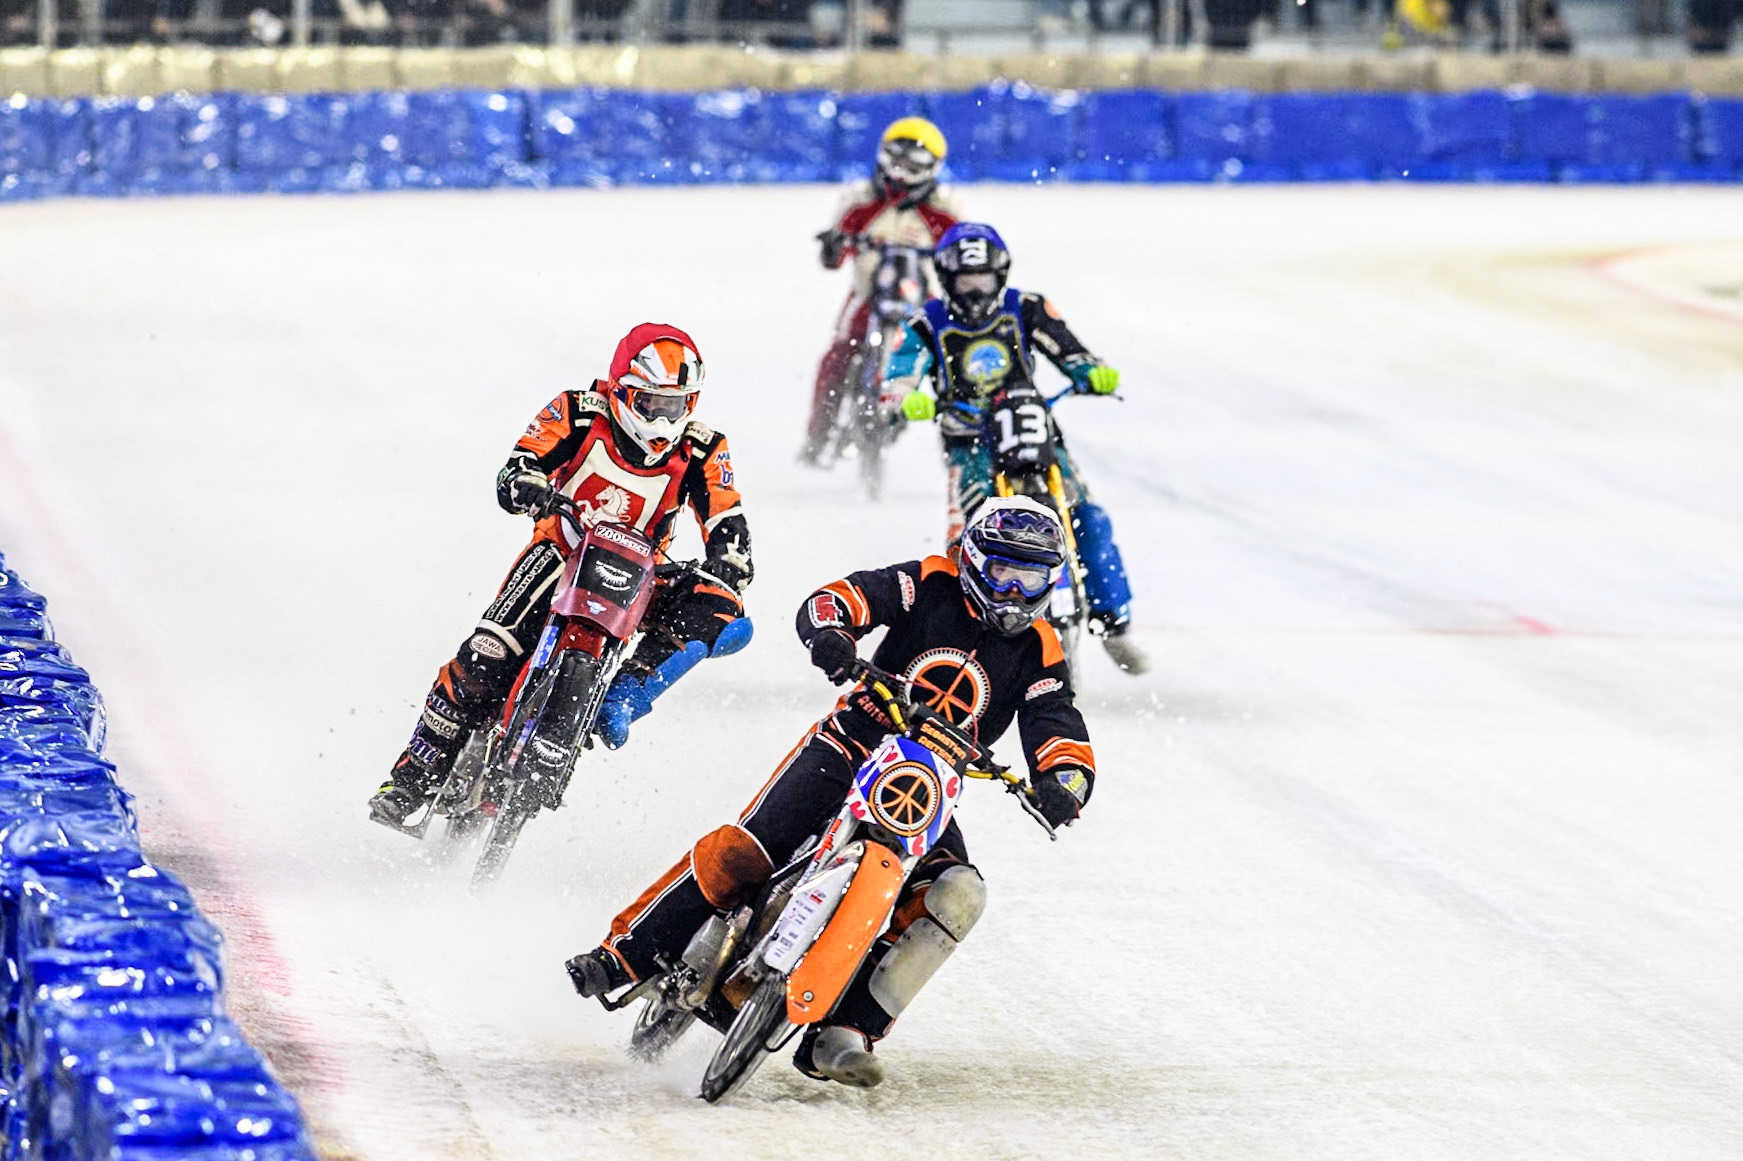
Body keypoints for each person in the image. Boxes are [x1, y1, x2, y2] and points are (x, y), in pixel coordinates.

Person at [565, 496, 1094, 1087]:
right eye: (1004, 574)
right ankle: (627, 954)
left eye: (1032, 580)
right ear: (973, 559)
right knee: (752, 848)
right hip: (851, 745)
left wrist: (1064, 783)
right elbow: (836, 600)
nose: (1016, 594)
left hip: (929, 786)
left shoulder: (1042, 649)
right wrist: (832, 635)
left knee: (958, 895)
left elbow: (1059, 722)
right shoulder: (929, 583)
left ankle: (847, 1032)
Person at [370, 323, 754, 829]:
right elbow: (521, 462)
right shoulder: (577, 411)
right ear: (621, 390)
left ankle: (628, 691)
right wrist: (527, 484)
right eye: (651, 405)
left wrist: (731, 555)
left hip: (641, 573)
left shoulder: (705, 448)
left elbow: (727, 514)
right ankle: (411, 776)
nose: (663, 421)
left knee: (723, 606)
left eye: (676, 406)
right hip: (561, 552)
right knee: (487, 655)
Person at [883, 221, 1145, 674]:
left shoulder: (1027, 307)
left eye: (983, 278)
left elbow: (1068, 348)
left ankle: (1114, 624)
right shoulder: (925, 323)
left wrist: (1090, 371)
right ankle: (955, 638)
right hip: (969, 446)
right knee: (964, 540)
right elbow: (899, 374)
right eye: (966, 280)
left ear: (1000, 274)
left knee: (1089, 519)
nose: (975, 289)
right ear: (946, 278)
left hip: (1034, 430)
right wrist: (907, 398)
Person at [799, 116, 961, 467]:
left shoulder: (944, 209)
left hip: (922, 296)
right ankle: (819, 434)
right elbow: (835, 255)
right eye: (896, 159)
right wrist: (833, 245)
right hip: (868, 293)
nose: (901, 172)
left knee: (953, 357)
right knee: (839, 355)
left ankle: (964, 437)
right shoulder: (861, 198)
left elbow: (960, 255)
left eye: (913, 164)